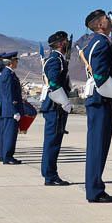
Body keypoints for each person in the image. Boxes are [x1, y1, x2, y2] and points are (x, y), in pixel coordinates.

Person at [83, 10, 112, 203]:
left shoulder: (95, 42)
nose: (111, 21)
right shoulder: (101, 43)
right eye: (107, 19)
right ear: (100, 25)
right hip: (101, 99)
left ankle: (94, 187)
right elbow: (100, 76)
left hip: (99, 100)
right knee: (98, 147)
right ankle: (95, 190)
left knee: (96, 146)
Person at [40, 31, 73, 186]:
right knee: (52, 142)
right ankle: (50, 175)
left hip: (55, 105)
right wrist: (64, 101)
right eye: (66, 41)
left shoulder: (57, 58)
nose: (67, 44)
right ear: (60, 44)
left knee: (53, 141)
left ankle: (50, 173)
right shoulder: (55, 60)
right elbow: (54, 83)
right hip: (55, 105)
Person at [0, 52, 23, 164]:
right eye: (16, 60)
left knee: (6, 134)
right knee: (10, 135)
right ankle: (7, 157)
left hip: (7, 109)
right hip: (10, 110)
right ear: (11, 62)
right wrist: (14, 111)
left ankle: (4, 156)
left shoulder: (8, 73)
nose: (17, 63)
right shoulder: (8, 74)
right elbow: (8, 94)